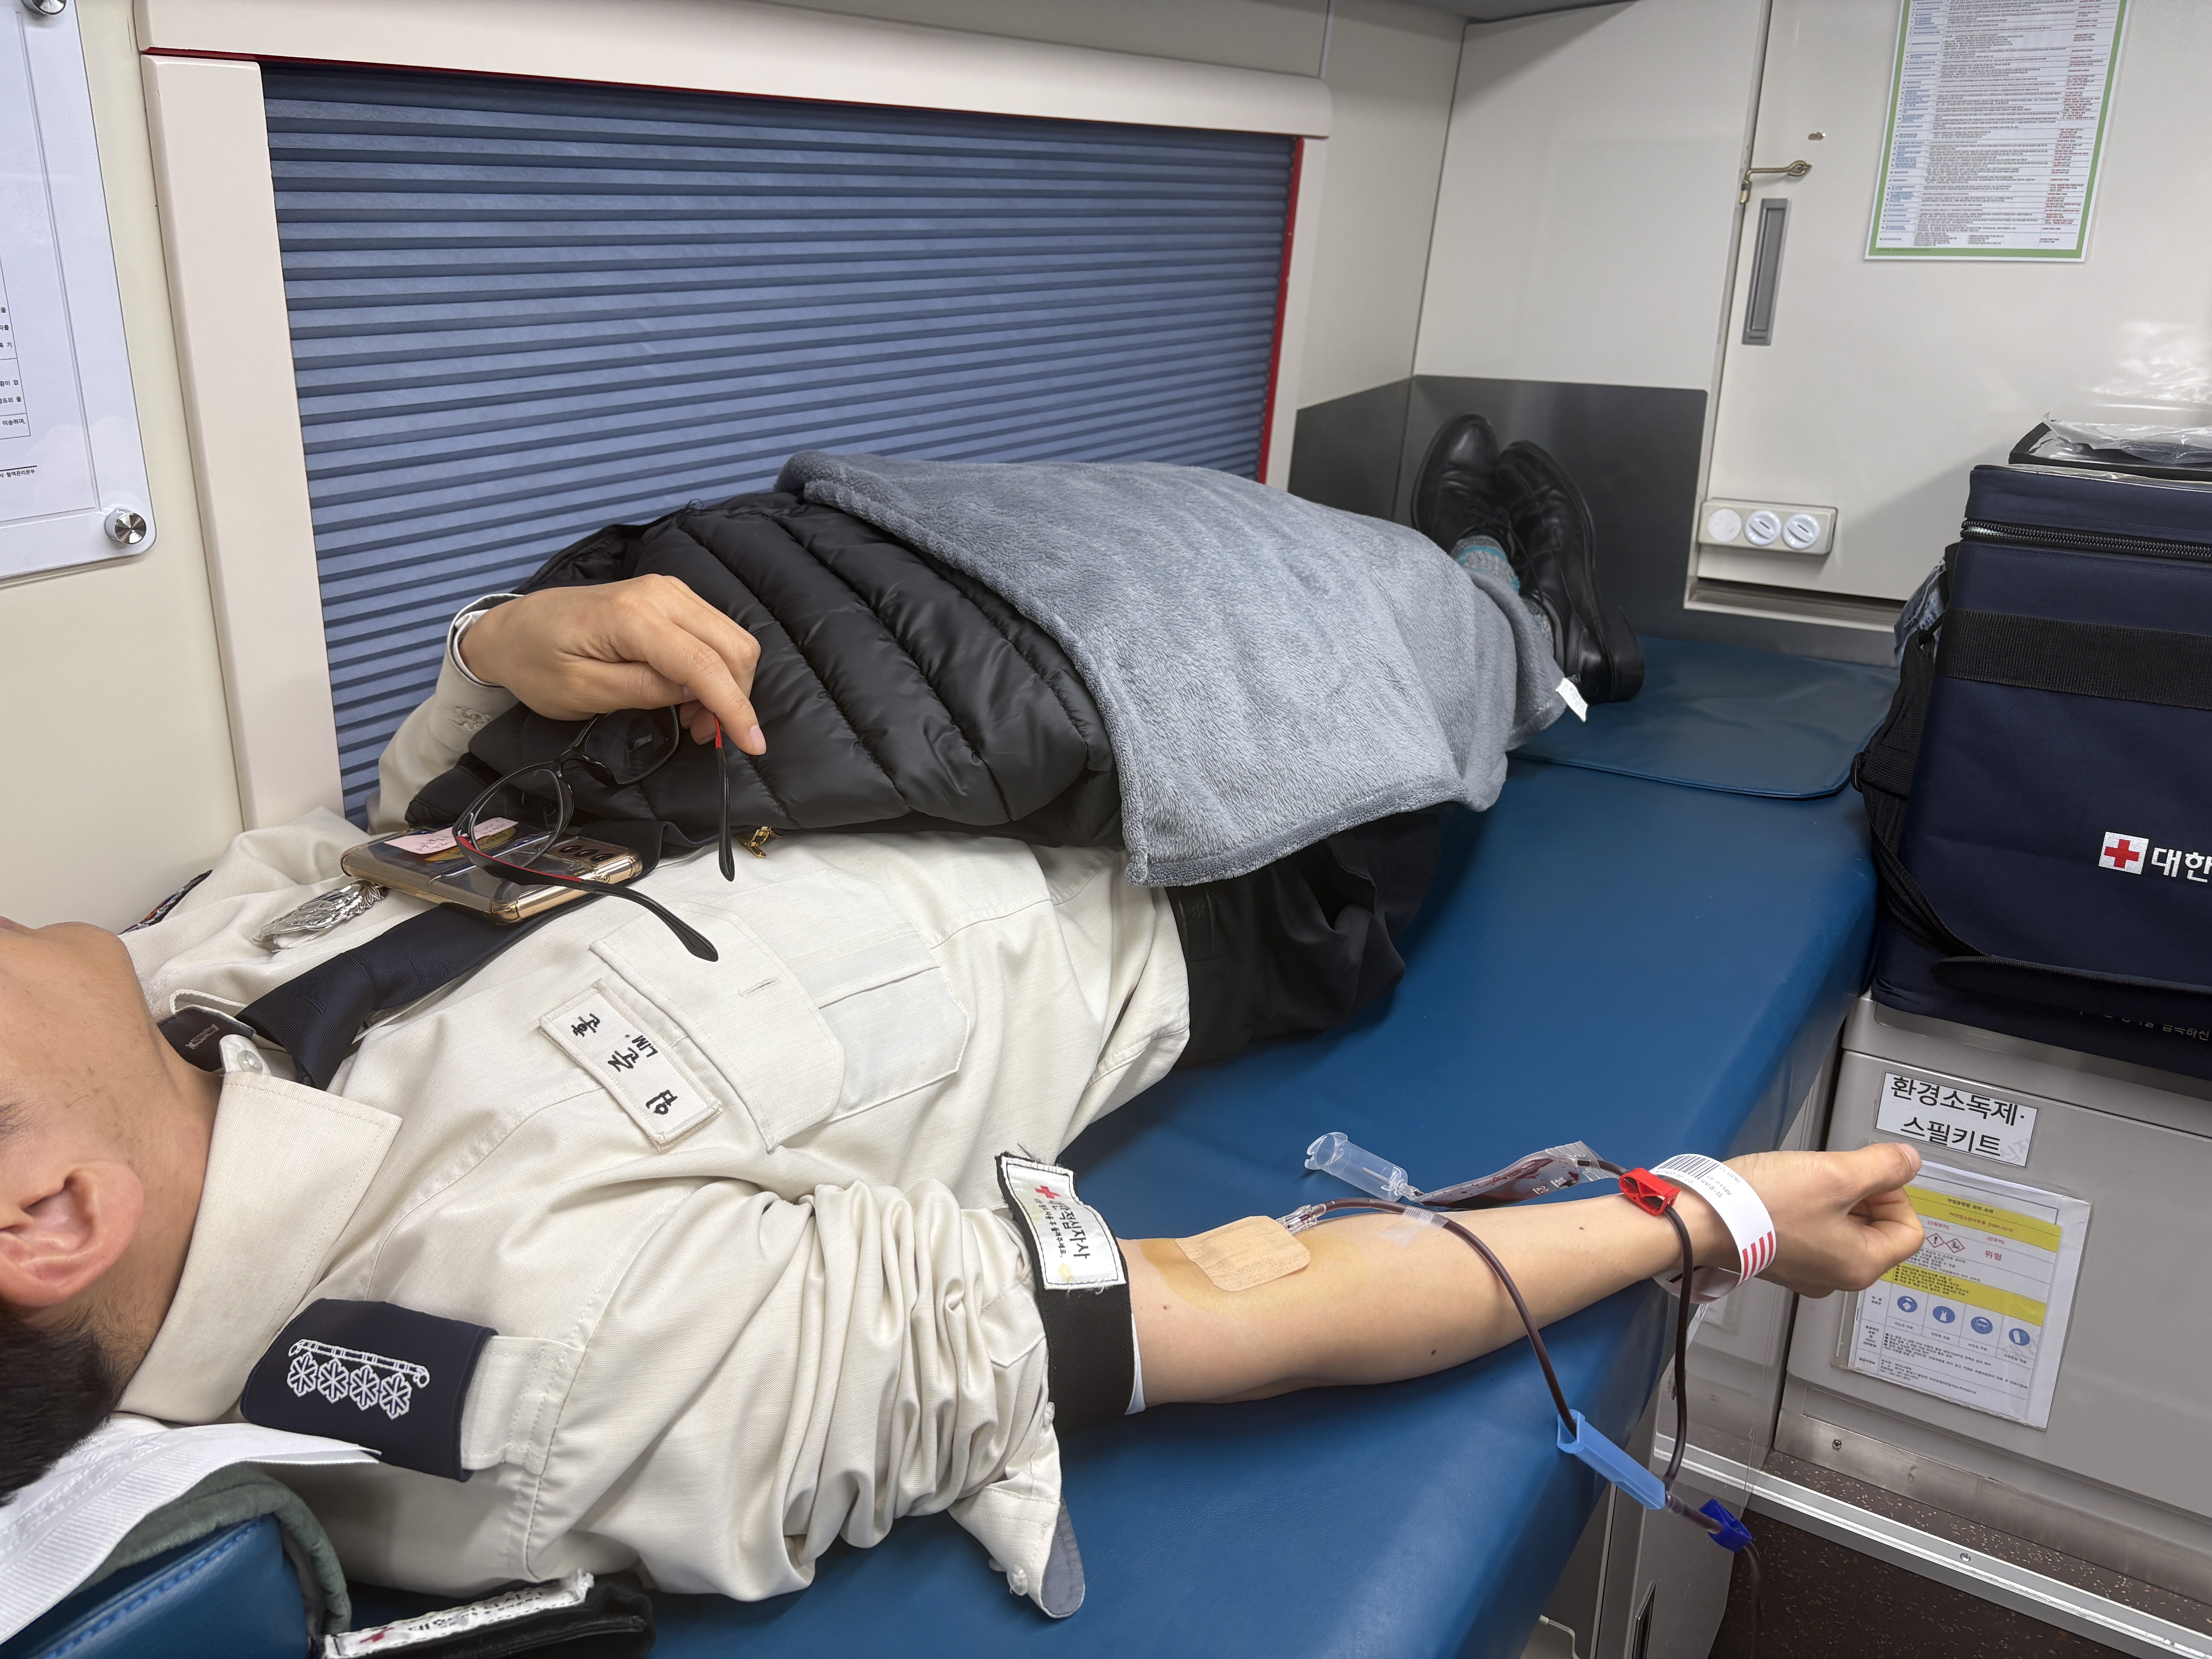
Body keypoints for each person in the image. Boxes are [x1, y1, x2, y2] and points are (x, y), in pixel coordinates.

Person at [0, 577, 1925, 1615]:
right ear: (53, 1219)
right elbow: (1223, 1301)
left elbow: (410, 862)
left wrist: (491, 654)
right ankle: (1540, 612)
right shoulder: (546, 1356)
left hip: (951, 712)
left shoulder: (178, 988)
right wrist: (1717, 1213)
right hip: (1213, 863)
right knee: (1452, 631)